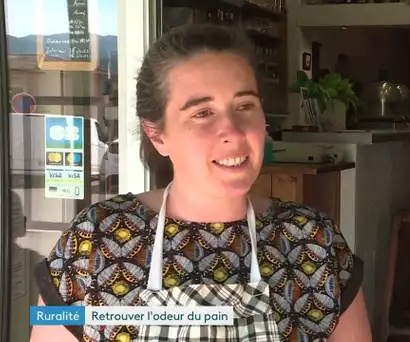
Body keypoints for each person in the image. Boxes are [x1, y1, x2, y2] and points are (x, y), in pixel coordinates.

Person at [30, 24, 370, 342]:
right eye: (202, 113)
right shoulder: (93, 239)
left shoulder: (313, 240)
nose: (234, 132)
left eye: (244, 106)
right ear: (157, 134)